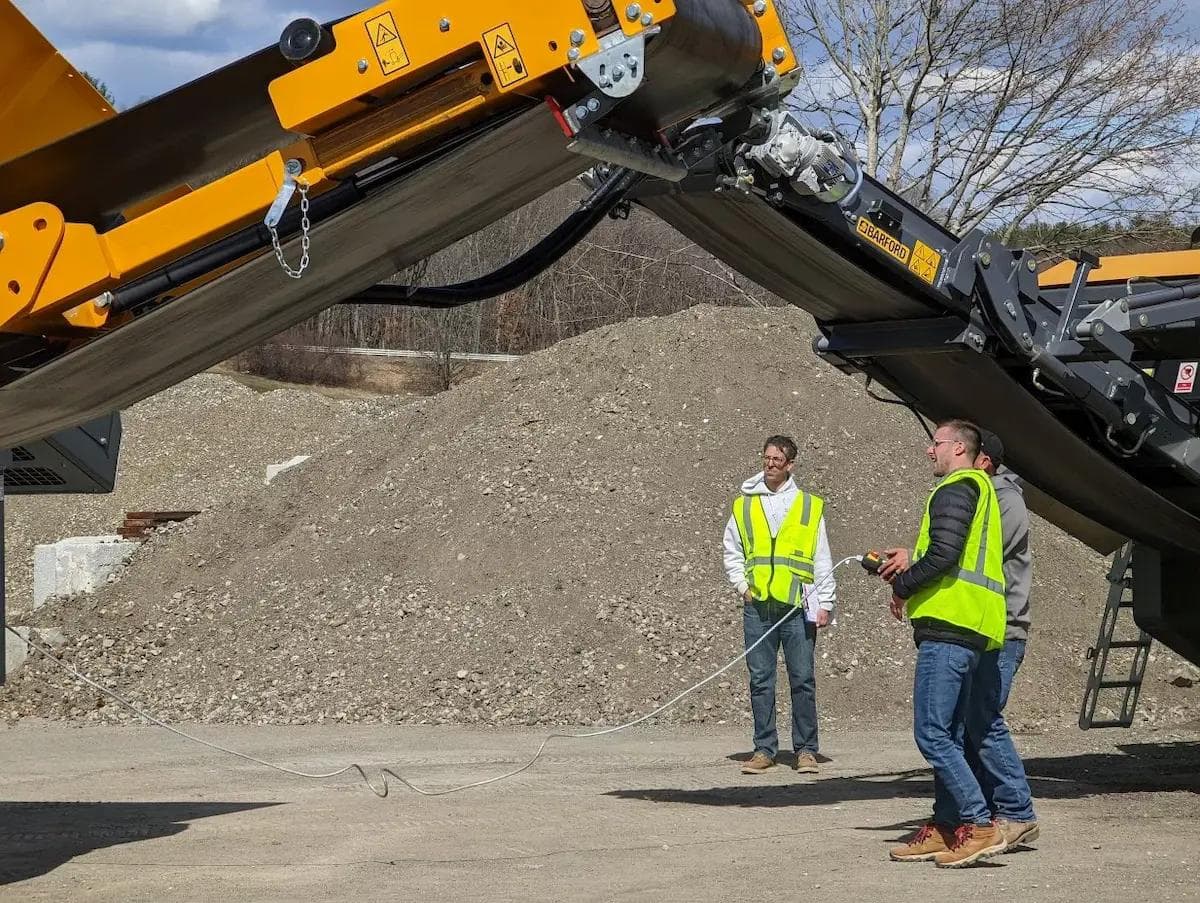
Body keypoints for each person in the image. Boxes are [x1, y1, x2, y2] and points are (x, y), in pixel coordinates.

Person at [877, 419, 1009, 868]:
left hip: (950, 627)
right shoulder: (982, 489)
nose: (929, 451)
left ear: (957, 447)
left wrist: (903, 586)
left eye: (935, 443)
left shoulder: (957, 486)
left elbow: (945, 554)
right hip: (972, 626)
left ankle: (978, 823)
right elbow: (957, 551)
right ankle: (947, 825)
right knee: (950, 733)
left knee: (932, 733)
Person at [723, 435, 835, 776]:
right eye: (766, 458)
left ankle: (805, 750)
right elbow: (733, 549)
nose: (770, 464)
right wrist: (742, 587)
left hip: (798, 607)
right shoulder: (744, 505)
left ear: (790, 464)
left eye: (777, 459)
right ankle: (764, 749)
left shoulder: (808, 506)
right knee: (761, 679)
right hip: (758, 606)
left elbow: (821, 556)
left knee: (802, 678)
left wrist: (826, 601)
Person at [965, 430, 1039, 847]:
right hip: (979, 626)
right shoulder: (980, 496)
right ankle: (985, 811)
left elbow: (979, 551)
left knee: (984, 718)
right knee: (970, 720)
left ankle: (1015, 810)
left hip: (1003, 630)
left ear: (985, 462)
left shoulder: (1005, 500)